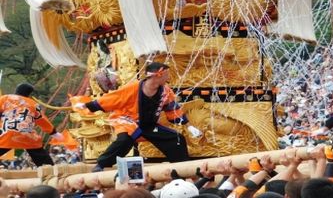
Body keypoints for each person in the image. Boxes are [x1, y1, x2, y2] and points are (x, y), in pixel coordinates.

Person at [73, 62, 202, 171]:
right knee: (125, 139)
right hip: (127, 120)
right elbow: (113, 98)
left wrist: (187, 125)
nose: (168, 78)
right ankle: (101, 164)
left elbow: (172, 109)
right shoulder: (134, 88)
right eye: (166, 75)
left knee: (176, 138)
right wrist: (88, 105)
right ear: (158, 75)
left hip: (148, 125)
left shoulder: (166, 91)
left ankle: (182, 167)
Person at [0, 83, 62, 166]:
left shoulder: (5, 98)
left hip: (7, 132)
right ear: (29, 94)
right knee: (39, 153)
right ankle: (49, 170)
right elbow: (42, 120)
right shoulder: (34, 104)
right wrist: (53, 132)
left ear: (16, 90)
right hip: (27, 133)